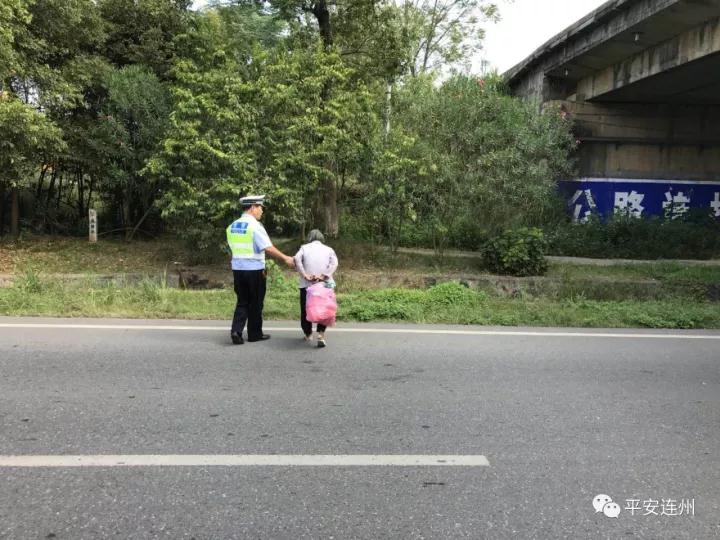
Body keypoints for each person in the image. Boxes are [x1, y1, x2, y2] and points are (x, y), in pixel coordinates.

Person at [226, 195, 294, 345]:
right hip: (255, 270)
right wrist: (285, 258)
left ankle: (236, 331)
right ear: (252, 208)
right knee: (256, 302)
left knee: (242, 301)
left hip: (237, 270)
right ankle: (254, 334)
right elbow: (267, 247)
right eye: (260, 207)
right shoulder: (255, 226)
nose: (262, 211)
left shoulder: (232, 226)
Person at [293, 229, 338, 348]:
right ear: (321, 238)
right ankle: (321, 335)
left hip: (307, 285)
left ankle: (308, 334)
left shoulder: (304, 248)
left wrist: (305, 275)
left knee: (306, 309)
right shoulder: (329, 249)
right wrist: (324, 276)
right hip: (325, 284)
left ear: (309, 238)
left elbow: (296, 259)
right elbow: (334, 263)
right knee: (325, 310)